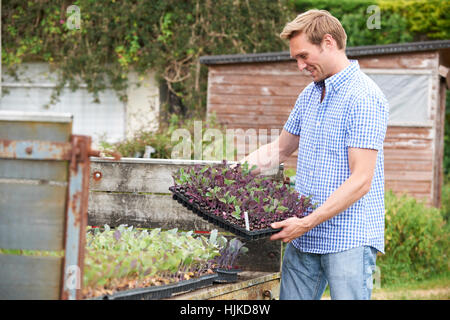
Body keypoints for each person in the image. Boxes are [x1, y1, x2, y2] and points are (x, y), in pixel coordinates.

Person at [240, 10, 389, 300]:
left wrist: (306, 222)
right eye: (296, 58)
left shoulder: (364, 97)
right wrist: (228, 174)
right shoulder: (310, 95)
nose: (300, 66)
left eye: (304, 56)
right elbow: (279, 149)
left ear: (329, 43)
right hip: (304, 236)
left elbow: (361, 180)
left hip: (347, 237)